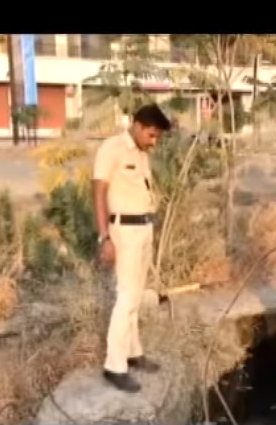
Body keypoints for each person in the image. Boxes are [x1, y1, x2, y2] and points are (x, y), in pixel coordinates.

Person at [92, 103, 172, 393]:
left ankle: (133, 352)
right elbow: (98, 191)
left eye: (158, 137)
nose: (154, 141)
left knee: (136, 294)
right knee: (126, 296)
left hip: (143, 229)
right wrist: (105, 237)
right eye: (151, 135)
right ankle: (114, 366)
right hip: (122, 231)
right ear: (137, 126)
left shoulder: (141, 154)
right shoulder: (112, 148)